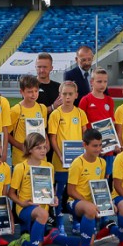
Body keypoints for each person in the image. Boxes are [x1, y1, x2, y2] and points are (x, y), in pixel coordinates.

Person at [58, 128, 108, 246]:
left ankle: (55, 238)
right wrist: (88, 203)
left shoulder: (102, 163)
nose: (98, 149)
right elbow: (71, 191)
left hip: (91, 204)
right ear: (84, 145)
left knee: (89, 242)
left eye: (100, 145)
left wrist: (106, 203)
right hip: (74, 202)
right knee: (90, 209)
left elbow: (100, 187)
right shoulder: (77, 163)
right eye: (94, 146)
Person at [7, 133, 56, 246]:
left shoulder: (49, 166)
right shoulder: (21, 167)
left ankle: (22, 242)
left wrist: (54, 198)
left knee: (38, 245)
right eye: (38, 148)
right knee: (43, 214)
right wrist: (22, 203)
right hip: (25, 208)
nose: (43, 150)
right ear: (29, 150)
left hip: (42, 208)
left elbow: (50, 190)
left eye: (44, 147)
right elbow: (11, 193)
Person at [47, 81, 87, 215]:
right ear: (60, 95)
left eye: (70, 94)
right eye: (64, 94)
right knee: (59, 191)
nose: (67, 97)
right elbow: (52, 138)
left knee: (76, 190)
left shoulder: (80, 113)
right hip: (60, 161)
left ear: (76, 95)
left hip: (77, 160)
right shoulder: (55, 114)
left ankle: (75, 218)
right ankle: (59, 219)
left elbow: (85, 135)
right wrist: (60, 155)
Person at [80, 68, 118, 175]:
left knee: (106, 175)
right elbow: (81, 125)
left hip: (107, 147)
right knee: (92, 175)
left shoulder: (109, 100)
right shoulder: (86, 100)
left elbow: (112, 123)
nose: (103, 84)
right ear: (92, 82)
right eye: (99, 81)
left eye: (105, 81)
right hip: (92, 147)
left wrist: (115, 142)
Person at [9, 74, 49, 166]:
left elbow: (43, 129)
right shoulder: (16, 110)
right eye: (30, 91)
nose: (33, 94)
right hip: (21, 158)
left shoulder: (42, 108)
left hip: (40, 158)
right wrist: (20, 146)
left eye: (36, 91)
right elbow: (6, 133)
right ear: (22, 92)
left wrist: (47, 143)